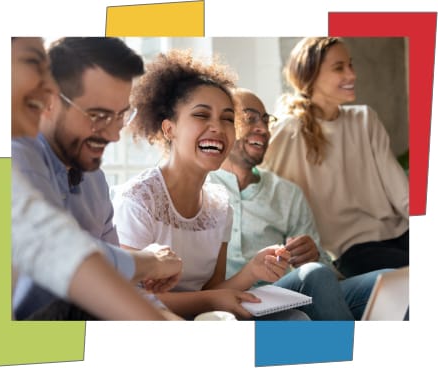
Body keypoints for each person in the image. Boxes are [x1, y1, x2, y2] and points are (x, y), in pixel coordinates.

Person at [112, 50, 308, 320]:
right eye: (202, 115)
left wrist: (252, 271)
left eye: (227, 119)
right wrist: (213, 298)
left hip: (206, 321)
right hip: (152, 325)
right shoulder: (137, 200)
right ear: (169, 129)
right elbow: (128, 299)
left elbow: (211, 290)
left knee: (297, 321)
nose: (217, 127)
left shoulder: (218, 205)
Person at [11, 37, 182, 320]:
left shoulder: (95, 182)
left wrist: (167, 318)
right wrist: (149, 262)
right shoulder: (16, 154)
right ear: (49, 100)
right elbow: (59, 253)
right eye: (99, 115)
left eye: (120, 117)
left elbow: (118, 281)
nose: (114, 135)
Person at [209, 88, 389, 320]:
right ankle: (350, 353)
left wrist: (313, 256)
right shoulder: (202, 187)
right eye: (250, 119)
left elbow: (326, 271)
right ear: (224, 124)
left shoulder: (286, 192)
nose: (263, 129)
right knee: (313, 276)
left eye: (266, 120)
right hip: (233, 303)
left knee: (389, 282)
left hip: (288, 291)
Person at [262, 37, 409, 278]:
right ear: (311, 75)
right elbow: (265, 189)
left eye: (350, 65)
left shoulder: (365, 119)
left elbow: (400, 190)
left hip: (402, 232)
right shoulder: (289, 130)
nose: (351, 75)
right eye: (339, 68)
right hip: (350, 251)